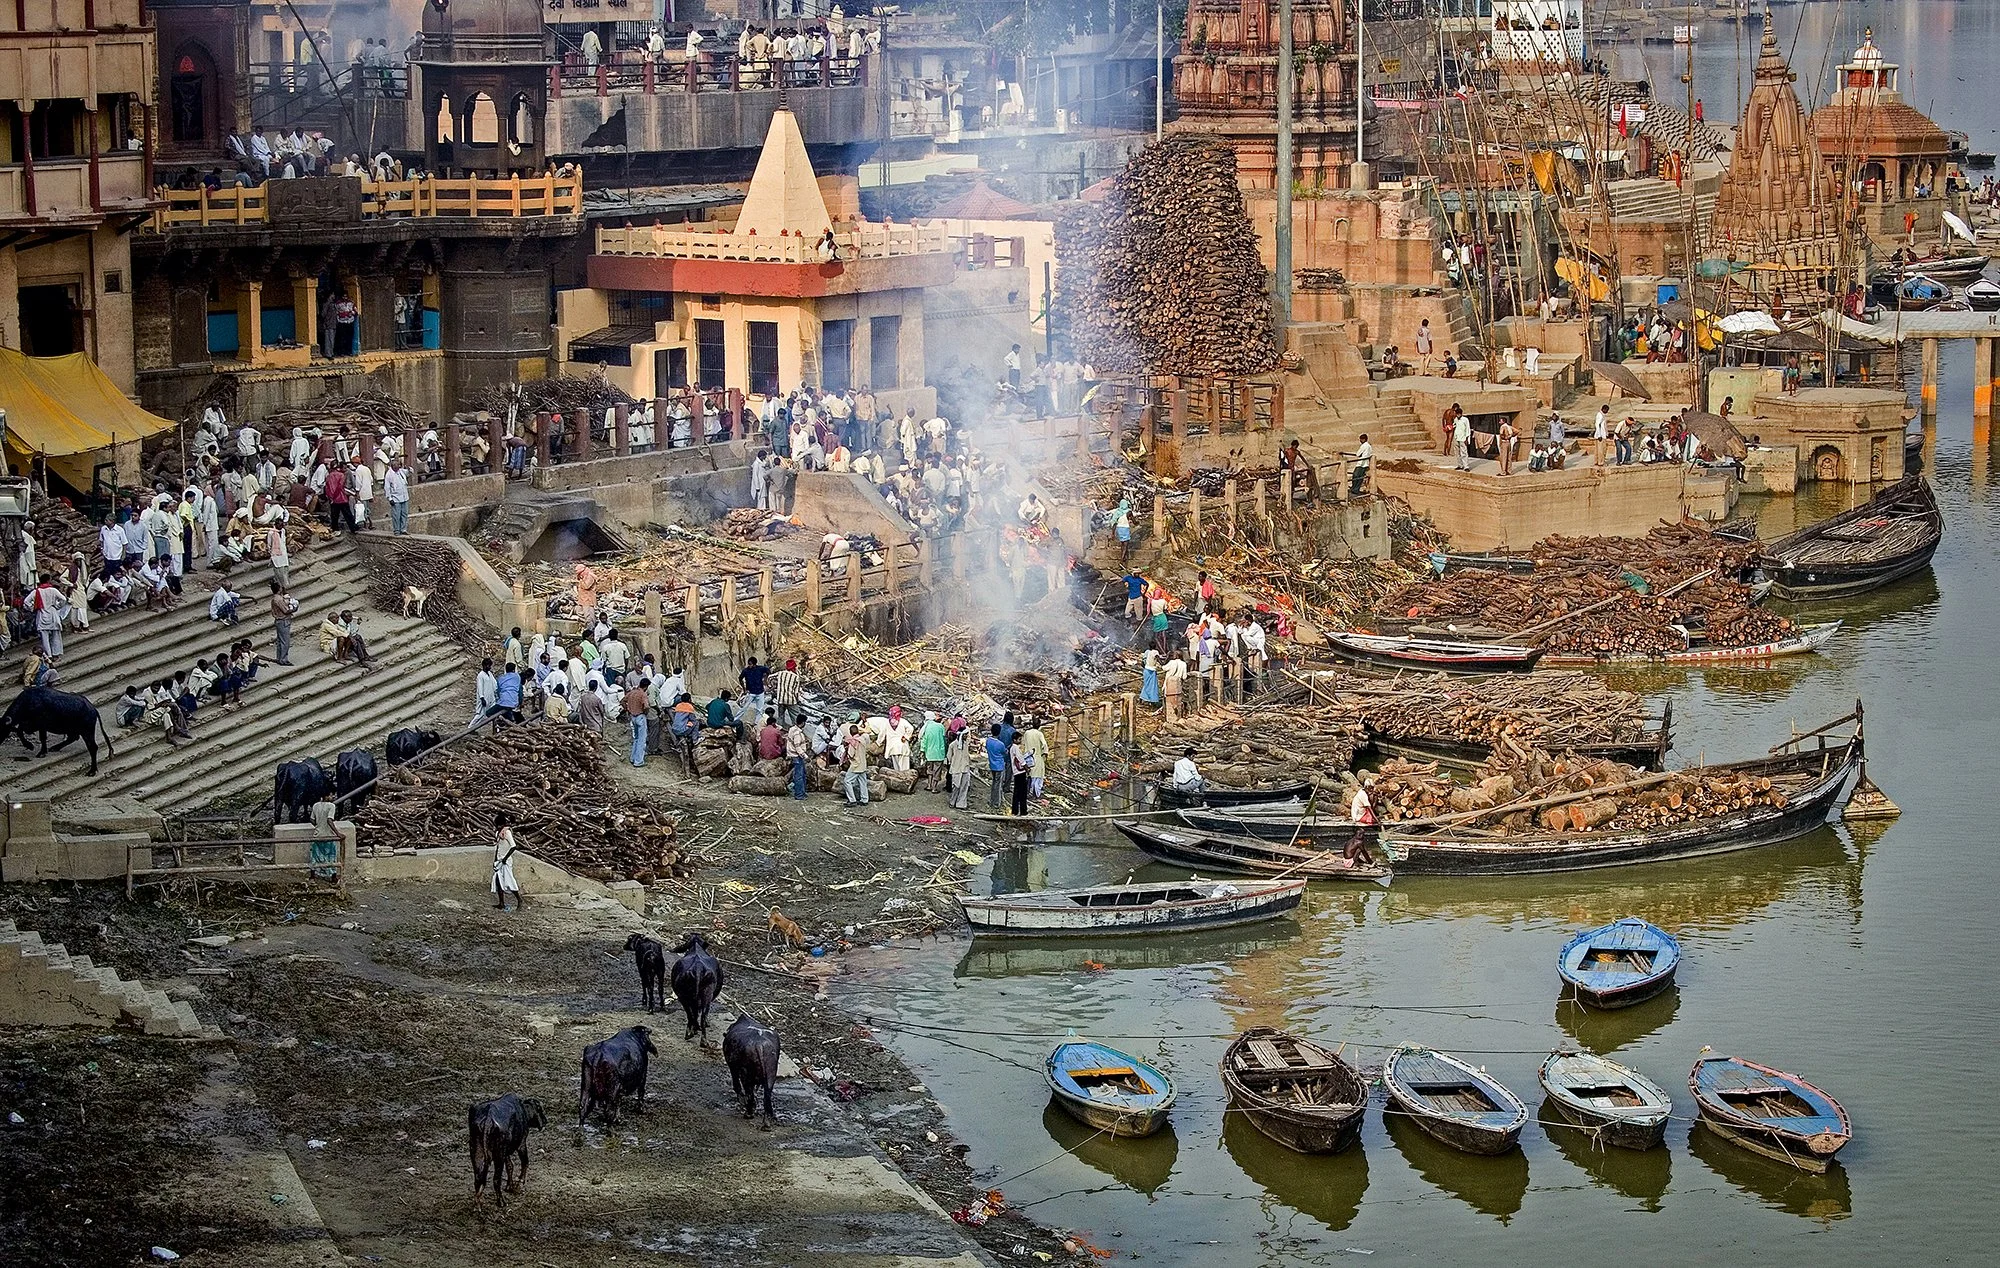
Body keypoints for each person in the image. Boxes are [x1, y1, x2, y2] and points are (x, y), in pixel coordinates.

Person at [492, 811, 522, 911]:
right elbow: (497, 847)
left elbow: (513, 846)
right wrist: (495, 860)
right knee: (498, 882)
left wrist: (505, 858)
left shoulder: (507, 832)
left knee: (509, 881)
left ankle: (519, 900)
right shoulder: (499, 833)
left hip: (506, 860)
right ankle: (501, 903)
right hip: (499, 860)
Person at [1345, 777, 1377, 865]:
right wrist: (1371, 863)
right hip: (1358, 816)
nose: (1362, 836)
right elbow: (1365, 853)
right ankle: (1356, 864)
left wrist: (1374, 796)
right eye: (1371, 788)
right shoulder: (1362, 795)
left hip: (1346, 860)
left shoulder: (1351, 840)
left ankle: (1358, 862)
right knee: (1360, 849)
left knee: (1359, 849)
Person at [842, 721, 872, 805]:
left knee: (847, 781)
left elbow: (851, 754)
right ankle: (864, 799)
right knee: (863, 782)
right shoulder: (863, 739)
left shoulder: (853, 742)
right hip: (863, 764)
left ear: (850, 733)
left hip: (856, 765)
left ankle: (852, 800)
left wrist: (846, 748)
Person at [767, 658, 801, 726]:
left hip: (781, 699)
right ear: (794, 667)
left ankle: (780, 728)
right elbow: (796, 692)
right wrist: (797, 700)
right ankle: (795, 730)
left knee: (781, 716)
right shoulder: (796, 677)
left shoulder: (780, 673)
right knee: (796, 716)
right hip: (791, 700)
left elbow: (769, 677)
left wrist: (771, 686)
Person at [919, 711, 947, 792]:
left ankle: (929, 785)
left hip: (929, 753)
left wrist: (922, 751)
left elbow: (923, 741)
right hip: (939, 753)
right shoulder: (940, 726)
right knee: (937, 771)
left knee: (930, 770)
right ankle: (934, 788)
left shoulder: (926, 728)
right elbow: (944, 738)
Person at [945, 724, 971, 810]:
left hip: (965, 768)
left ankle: (961, 804)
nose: (967, 736)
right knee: (956, 786)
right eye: (965, 734)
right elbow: (949, 756)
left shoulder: (966, 744)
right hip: (956, 768)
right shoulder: (953, 745)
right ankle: (953, 802)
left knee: (964, 787)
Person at [984, 723, 1008, 808]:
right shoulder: (1000, 744)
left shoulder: (988, 741)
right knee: (998, 785)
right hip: (999, 766)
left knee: (994, 783)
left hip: (992, 764)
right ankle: (996, 803)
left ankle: (992, 800)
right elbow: (1004, 752)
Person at [1008, 730, 1032, 815]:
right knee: (1022, 792)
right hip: (1019, 772)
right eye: (1019, 739)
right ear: (1015, 740)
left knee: (1017, 791)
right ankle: (1023, 811)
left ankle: (1015, 811)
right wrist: (1026, 768)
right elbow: (1021, 759)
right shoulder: (1015, 748)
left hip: (1016, 772)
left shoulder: (1012, 748)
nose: (1020, 741)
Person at [384, 457, 410, 534]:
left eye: (398, 465)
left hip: (404, 497)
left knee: (404, 514)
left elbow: (409, 472)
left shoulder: (401, 472)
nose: (397, 467)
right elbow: (387, 487)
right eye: (395, 465)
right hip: (396, 498)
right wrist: (390, 498)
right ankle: (397, 530)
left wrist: (409, 468)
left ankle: (403, 529)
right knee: (396, 515)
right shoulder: (389, 475)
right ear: (392, 466)